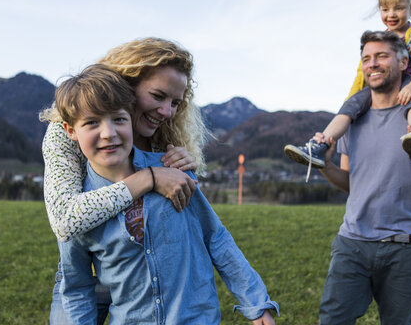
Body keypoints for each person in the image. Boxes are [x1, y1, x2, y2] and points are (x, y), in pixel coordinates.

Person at [55, 63, 279, 324]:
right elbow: (78, 288)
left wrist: (255, 301)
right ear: (70, 131)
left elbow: (215, 237)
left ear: (132, 117)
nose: (109, 134)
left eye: (119, 119)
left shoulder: (174, 171)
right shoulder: (80, 210)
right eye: (92, 122)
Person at [40, 37, 211, 324]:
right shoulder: (64, 133)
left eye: (175, 103)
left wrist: (182, 166)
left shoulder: (161, 132)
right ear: (127, 85)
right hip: (86, 273)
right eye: (157, 96)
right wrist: (149, 178)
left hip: (139, 272)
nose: (167, 112)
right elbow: (64, 218)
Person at [316, 30, 411, 324]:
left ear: (404, 60)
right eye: (366, 58)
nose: (373, 64)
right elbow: (349, 181)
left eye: (382, 56)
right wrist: (324, 166)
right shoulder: (351, 119)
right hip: (352, 243)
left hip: (407, 247)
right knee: (332, 320)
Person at [284, 0, 411, 179]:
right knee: (350, 106)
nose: (391, 14)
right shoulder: (378, 40)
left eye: (399, 8)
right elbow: (360, 77)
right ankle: (319, 145)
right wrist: (350, 101)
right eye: (385, 9)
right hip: (382, 85)